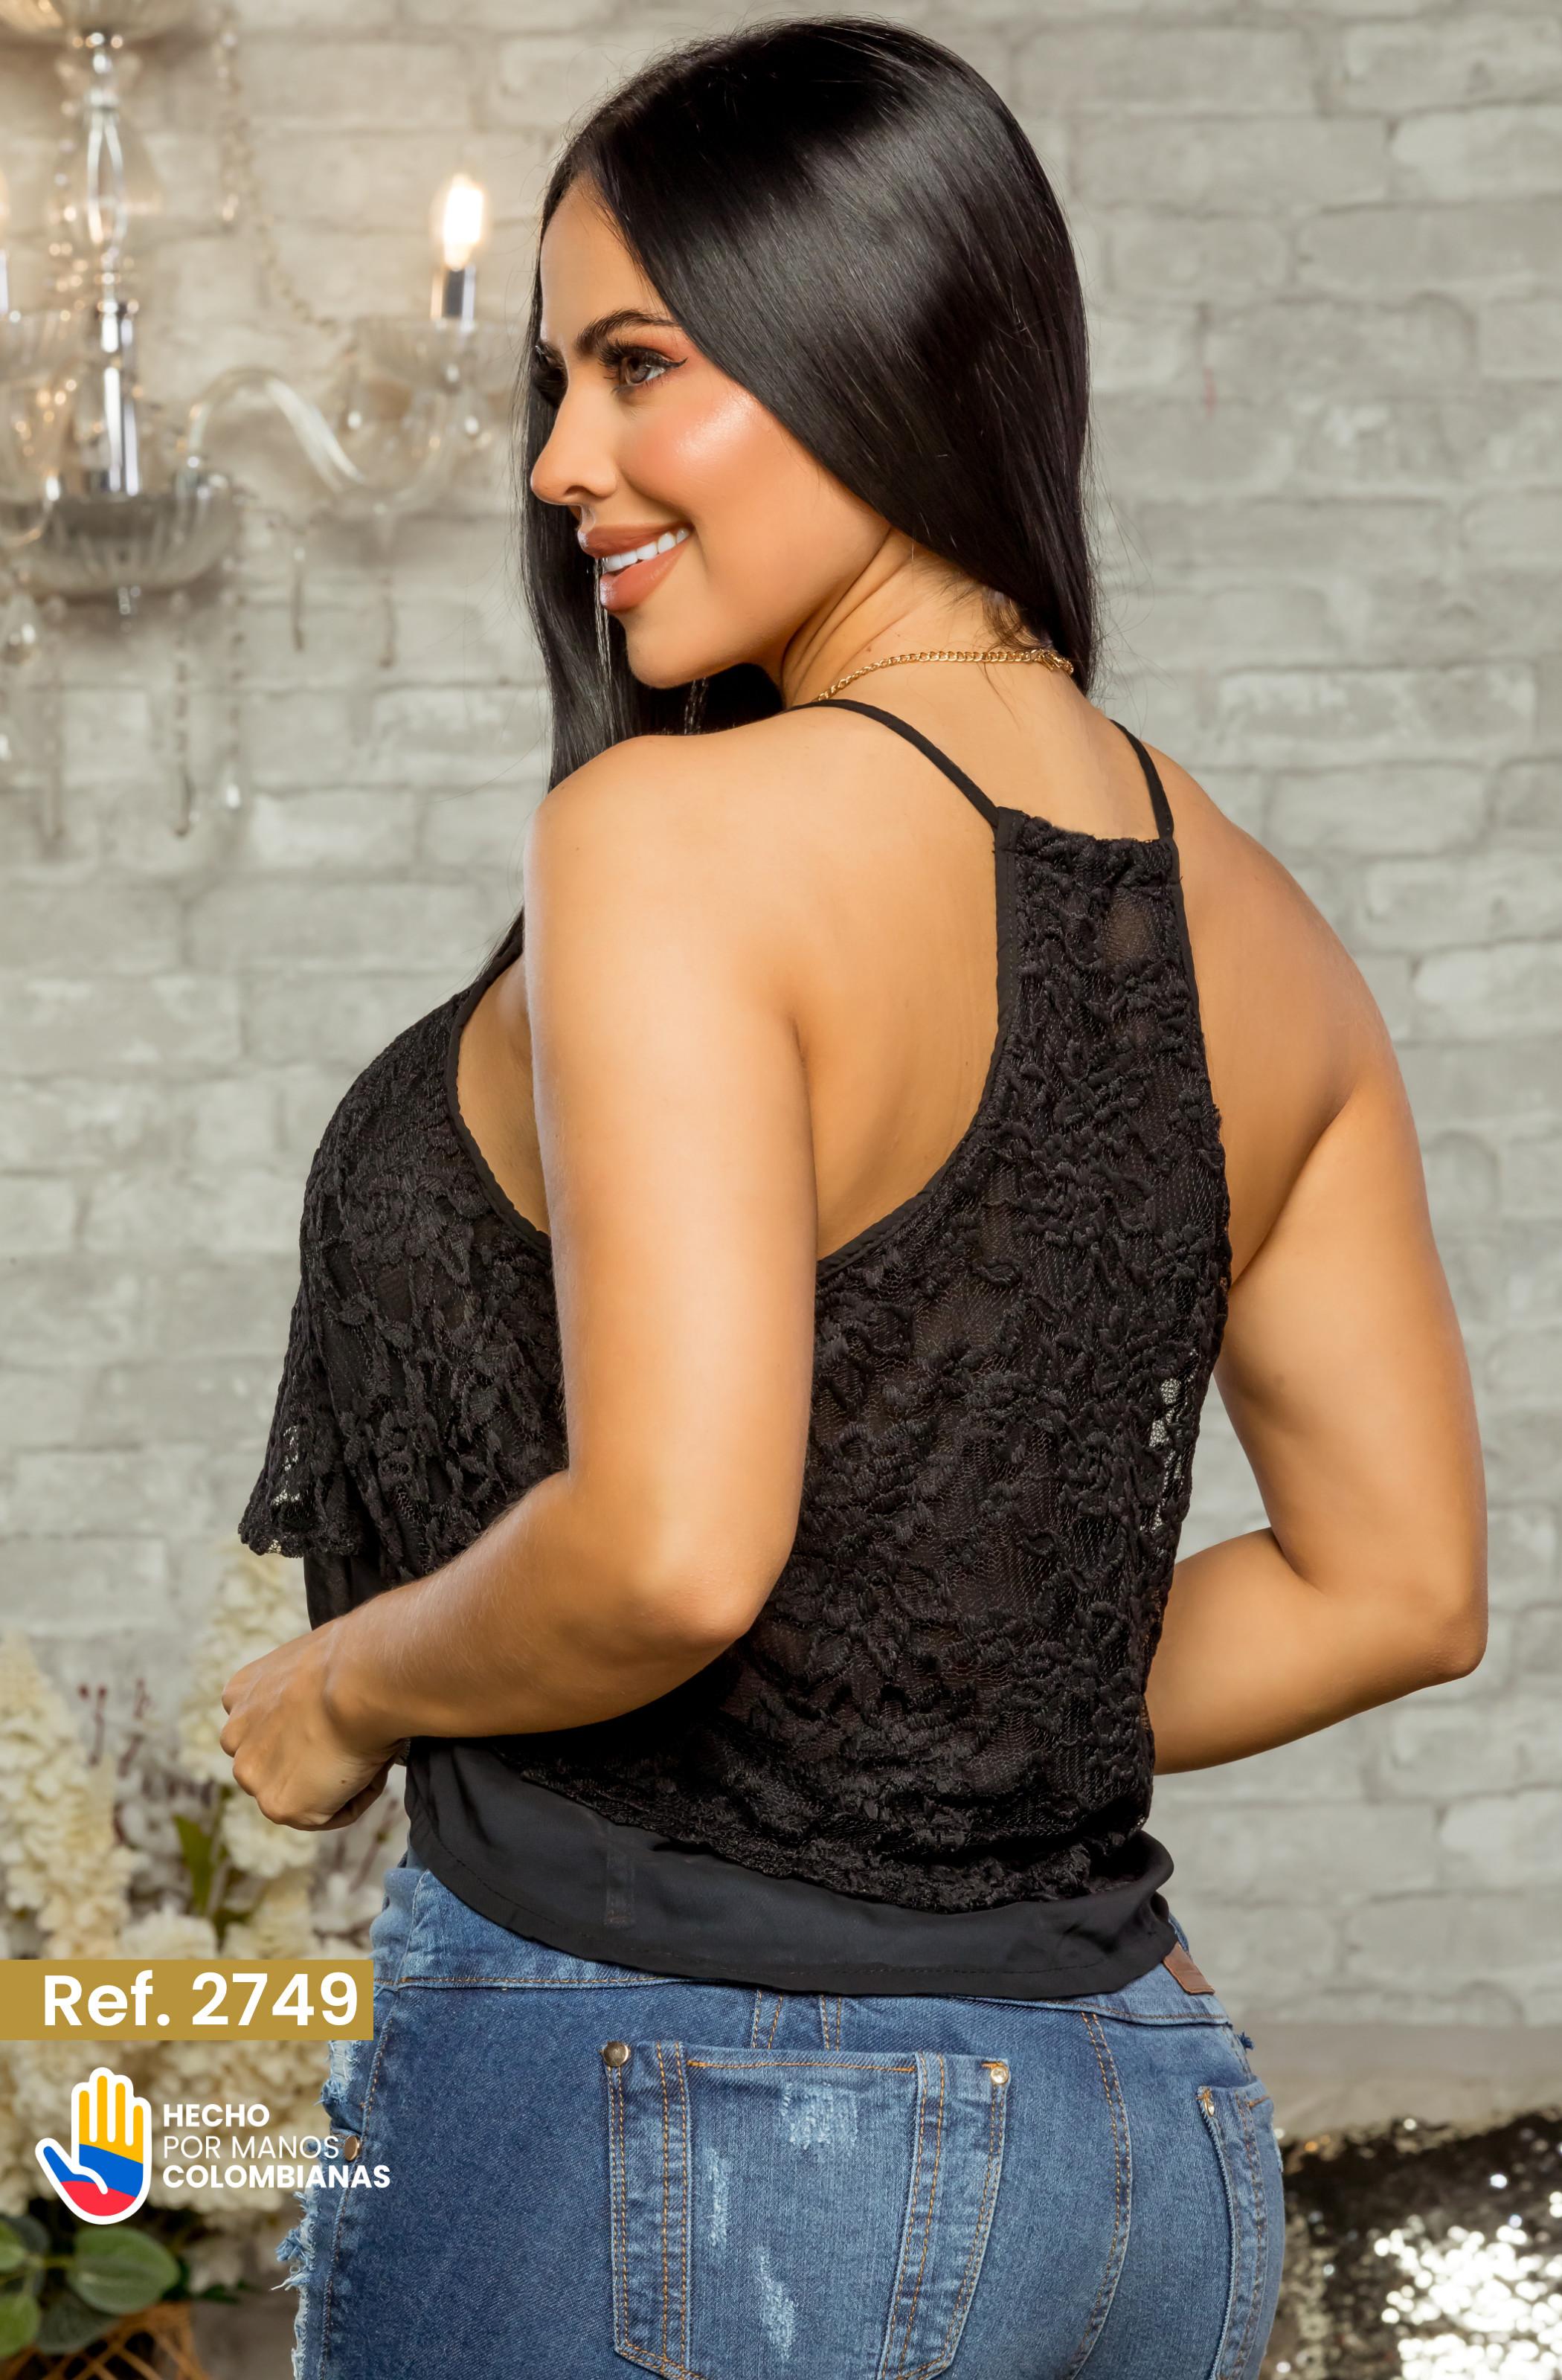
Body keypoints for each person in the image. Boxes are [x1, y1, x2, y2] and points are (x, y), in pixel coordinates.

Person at [218, 19, 1487, 2378]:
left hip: (702, 2119)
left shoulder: (673, 842)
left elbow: (669, 1551)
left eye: (638, 367)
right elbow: (1391, 1589)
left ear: (873, 344)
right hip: (1137, 2146)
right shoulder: (1266, 929)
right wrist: (917, 1712)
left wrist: (343, 1683)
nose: (559, 459)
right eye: (552, 381)